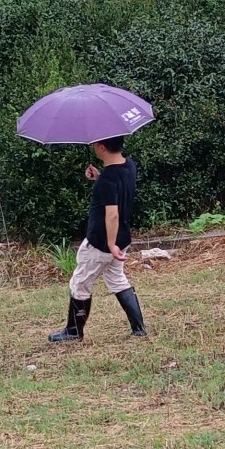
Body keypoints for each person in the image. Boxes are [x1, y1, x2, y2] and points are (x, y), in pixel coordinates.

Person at [49, 135, 146, 341]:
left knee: (80, 282)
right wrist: (99, 177)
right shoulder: (129, 166)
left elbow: (112, 214)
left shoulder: (108, 180)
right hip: (123, 238)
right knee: (117, 279)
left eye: (95, 144)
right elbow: (117, 189)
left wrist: (110, 245)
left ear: (101, 147)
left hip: (102, 242)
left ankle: (74, 331)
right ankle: (139, 327)